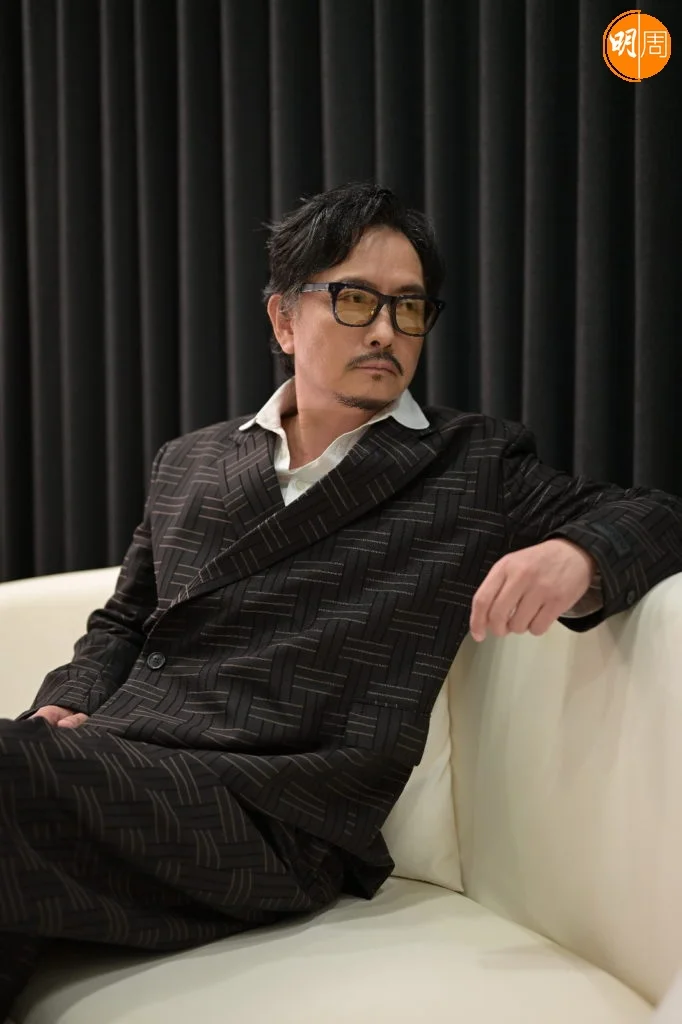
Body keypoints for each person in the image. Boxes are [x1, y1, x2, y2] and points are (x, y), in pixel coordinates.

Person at [2, 181, 682, 1016]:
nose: (386, 330)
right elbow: (125, 619)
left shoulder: (472, 466)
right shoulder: (189, 460)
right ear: (284, 319)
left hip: (275, 816)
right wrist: (70, 699)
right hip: (116, 763)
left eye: (409, 307)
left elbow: (656, 515)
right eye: (356, 299)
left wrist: (576, 552)